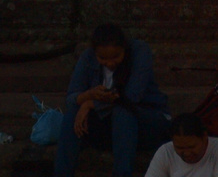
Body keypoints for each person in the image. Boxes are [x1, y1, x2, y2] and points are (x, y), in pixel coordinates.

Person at [54, 23, 171, 177]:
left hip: (147, 122)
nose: (110, 63)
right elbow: (71, 98)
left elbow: (132, 96)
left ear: (124, 49)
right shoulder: (88, 57)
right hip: (111, 129)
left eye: (116, 57)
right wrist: (88, 96)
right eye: (102, 58)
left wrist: (90, 104)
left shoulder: (139, 51)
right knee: (72, 116)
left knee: (122, 112)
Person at [144, 112, 218, 177]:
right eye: (179, 148)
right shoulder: (165, 152)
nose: (186, 153)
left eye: (191, 147)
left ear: (204, 137)